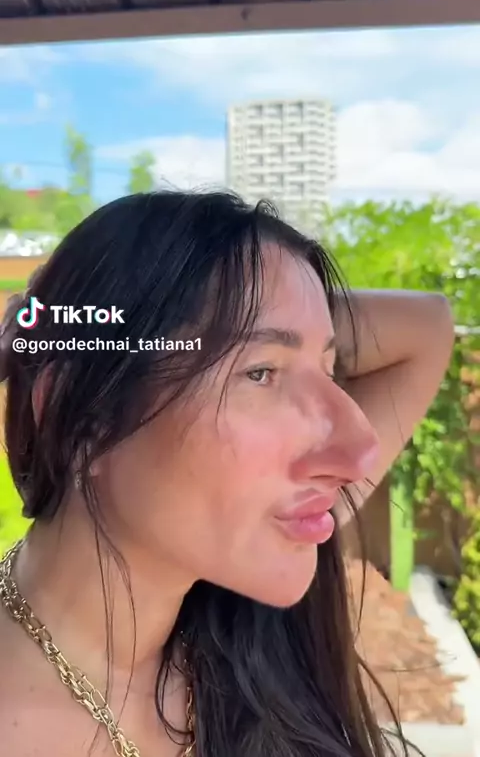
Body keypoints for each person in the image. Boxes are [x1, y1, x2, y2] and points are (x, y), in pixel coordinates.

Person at [0, 189, 454, 757]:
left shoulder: (245, 626)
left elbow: (429, 327)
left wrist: (69, 327)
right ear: (85, 418)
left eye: (331, 368)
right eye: (261, 374)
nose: (358, 453)